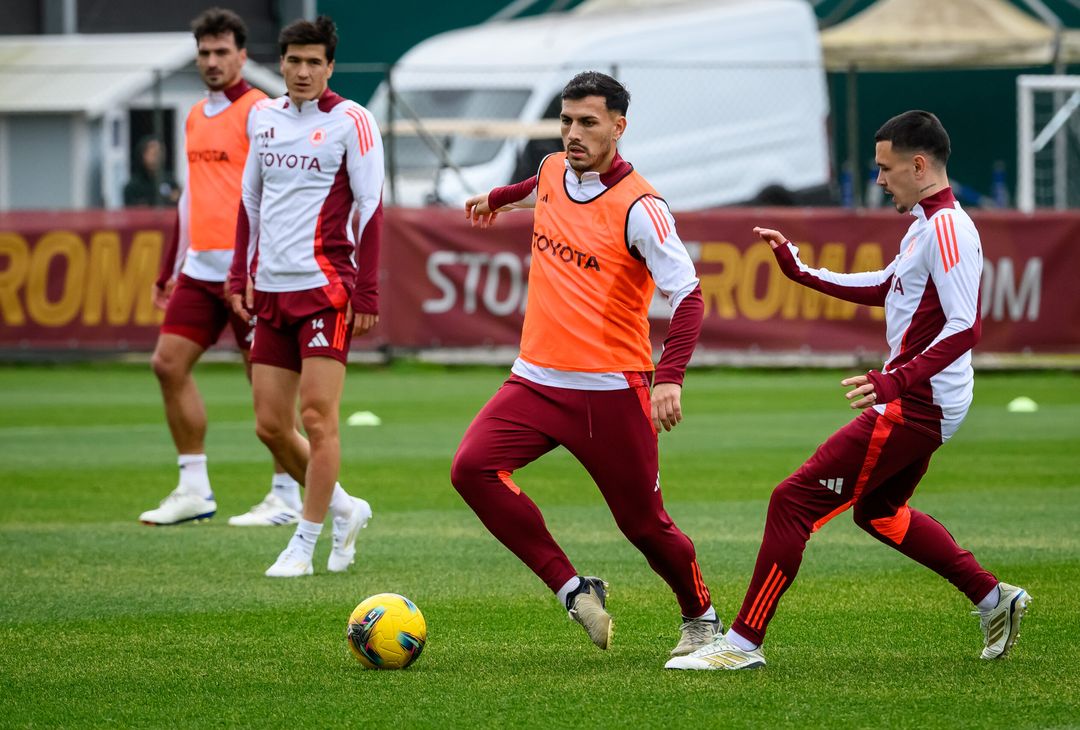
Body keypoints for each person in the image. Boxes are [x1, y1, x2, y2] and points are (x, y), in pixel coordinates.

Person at [667, 111, 1030, 671]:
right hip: (919, 399)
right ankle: (993, 598)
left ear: (918, 164)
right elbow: (886, 285)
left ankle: (741, 646)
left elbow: (967, 326)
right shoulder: (925, 225)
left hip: (917, 404)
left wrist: (896, 380)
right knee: (881, 513)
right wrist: (799, 270)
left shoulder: (949, 227)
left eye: (885, 169)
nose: (879, 179)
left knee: (792, 502)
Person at [451, 71, 718, 659]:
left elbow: (691, 296)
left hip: (610, 393)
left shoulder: (642, 208)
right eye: (566, 121)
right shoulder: (552, 169)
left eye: (588, 123)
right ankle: (575, 590)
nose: (573, 133)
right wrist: (494, 198)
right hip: (535, 380)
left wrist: (668, 377)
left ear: (619, 128)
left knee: (645, 527)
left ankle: (701, 620)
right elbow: (535, 184)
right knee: (471, 469)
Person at [228, 15, 383, 578]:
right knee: (270, 426)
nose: (302, 71)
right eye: (293, 60)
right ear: (282, 62)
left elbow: (371, 207)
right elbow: (249, 201)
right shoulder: (263, 117)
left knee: (317, 419)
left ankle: (305, 541)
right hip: (269, 291)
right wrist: (238, 275)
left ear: (330, 66)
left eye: (314, 61)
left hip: (325, 292)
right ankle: (346, 507)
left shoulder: (352, 121)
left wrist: (367, 290)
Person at [140, 8, 304, 527]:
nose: (212, 61)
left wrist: (261, 262)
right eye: (204, 53)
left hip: (251, 273)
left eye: (221, 52)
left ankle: (286, 496)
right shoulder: (192, 116)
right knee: (167, 364)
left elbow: (272, 192)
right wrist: (170, 264)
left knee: (267, 386)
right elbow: (191, 197)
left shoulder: (261, 112)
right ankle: (194, 488)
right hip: (199, 270)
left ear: (242, 55)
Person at [124, 136, 180, 207]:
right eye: (153, 154)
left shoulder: (170, 181)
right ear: (143, 155)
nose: (157, 158)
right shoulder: (133, 187)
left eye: (160, 153)